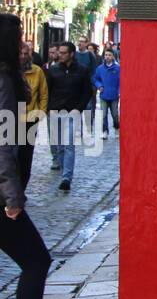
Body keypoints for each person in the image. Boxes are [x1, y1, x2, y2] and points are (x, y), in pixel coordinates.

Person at [0, 13, 52, 299]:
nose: (23, 45)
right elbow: (2, 142)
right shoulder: (4, 79)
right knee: (36, 260)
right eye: (19, 38)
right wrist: (13, 197)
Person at [44, 42, 90, 193]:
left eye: (64, 53)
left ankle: (66, 178)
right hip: (56, 112)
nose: (60, 55)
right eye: (60, 53)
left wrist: (79, 109)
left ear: (71, 54)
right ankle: (65, 172)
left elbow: (87, 92)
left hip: (72, 113)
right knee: (59, 146)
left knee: (69, 145)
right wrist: (48, 109)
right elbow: (48, 91)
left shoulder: (82, 71)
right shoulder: (54, 70)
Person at [17, 41, 47, 190]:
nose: (23, 56)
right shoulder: (10, 71)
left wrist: (39, 114)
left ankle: (21, 187)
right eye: (21, 54)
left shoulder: (37, 71)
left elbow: (43, 94)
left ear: (31, 54)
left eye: (26, 53)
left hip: (30, 119)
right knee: (11, 155)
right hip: (11, 119)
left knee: (26, 156)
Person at [75, 38, 101, 137]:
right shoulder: (74, 54)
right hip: (76, 85)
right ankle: (78, 129)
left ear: (86, 43)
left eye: (82, 41)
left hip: (88, 85)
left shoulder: (90, 55)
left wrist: (92, 83)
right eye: (79, 41)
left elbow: (94, 70)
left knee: (88, 107)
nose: (79, 43)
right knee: (77, 108)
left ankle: (88, 128)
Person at [93, 49, 120, 138]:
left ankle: (117, 128)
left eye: (109, 55)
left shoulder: (118, 68)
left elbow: (121, 81)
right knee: (103, 115)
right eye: (106, 55)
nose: (107, 57)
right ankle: (105, 131)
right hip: (103, 95)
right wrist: (99, 86)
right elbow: (96, 79)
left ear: (113, 56)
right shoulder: (100, 68)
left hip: (114, 95)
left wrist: (119, 92)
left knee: (115, 114)